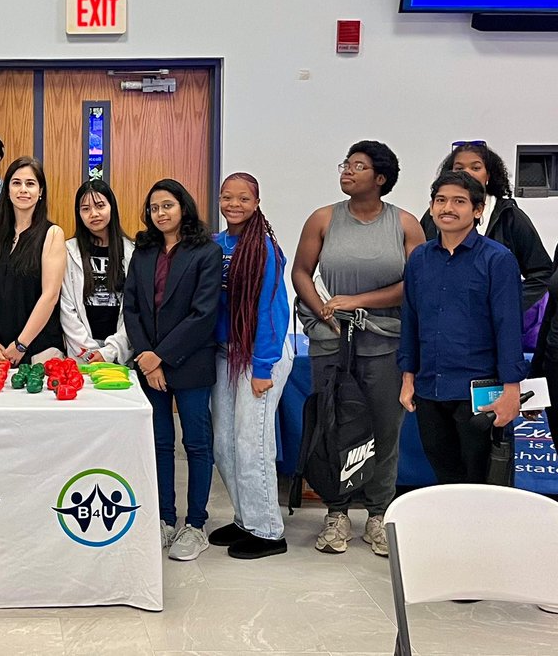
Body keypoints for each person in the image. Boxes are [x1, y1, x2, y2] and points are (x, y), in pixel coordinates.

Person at [291, 140, 424, 557]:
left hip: (386, 342)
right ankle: (336, 512)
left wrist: (358, 300)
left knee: (385, 428)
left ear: (380, 178)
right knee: (334, 425)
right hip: (332, 341)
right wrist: (324, 311)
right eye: (345, 164)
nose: (347, 171)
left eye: (358, 166)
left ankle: (378, 514)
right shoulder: (323, 219)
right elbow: (301, 272)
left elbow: (415, 283)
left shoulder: (405, 224)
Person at [399, 170, 526, 483]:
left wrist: (512, 389)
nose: (447, 208)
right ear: (431, 207)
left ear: (477, 210)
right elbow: (411, 319)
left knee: (480, 480)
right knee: (445, 476)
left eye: (459, 201)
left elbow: (509, 327)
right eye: (440, 200)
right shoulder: (419, 259)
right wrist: (407, 377)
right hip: (429, 388)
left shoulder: (498, 259)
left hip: (478, 391)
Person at [123, 179, 222, 562]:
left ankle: (195, 524)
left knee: (196, 444)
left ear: (183, 207)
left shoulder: (206, 251)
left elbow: (203, 314)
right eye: (154, 208)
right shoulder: (144, 251)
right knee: (160, 443)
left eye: (167, 205)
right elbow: (132, 307)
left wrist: (160, 357)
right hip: (150, 365)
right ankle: (164, 518)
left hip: (190, 362)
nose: (160, 213)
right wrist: (147, 357)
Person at [208, 173, 291, 559]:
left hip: (259, 355)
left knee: (251, 442)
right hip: (225, 353)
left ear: (256, 203)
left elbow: (273, 311)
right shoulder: (216, 244)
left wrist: (261, 368)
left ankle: (269, 530)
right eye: (227, 197)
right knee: (224, 444)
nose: (234, 205)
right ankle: (246, 519)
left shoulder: (264, 249)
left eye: (243, 198)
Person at [419, 141, 551, 320]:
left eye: (475, 168)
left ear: (488, 175)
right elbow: (421, 264)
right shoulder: (437, 214)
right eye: (459, 168)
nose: (467, 173)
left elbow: (542, 273)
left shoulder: (509, 216)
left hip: (492, 322)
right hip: (442, 317)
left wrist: (507, 305)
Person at [0, 156, 65, 365]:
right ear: (7, 191)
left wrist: (21, 344)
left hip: (39, 349)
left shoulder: (52, 234)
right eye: (16, 183)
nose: (23, 189)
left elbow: (50, 296)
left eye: (30, 184)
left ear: (40, 191)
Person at [59, 179, 134, 364]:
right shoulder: (68, 251)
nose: (93, 214)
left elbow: (135, 309)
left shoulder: (132, 252)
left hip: (120, 353)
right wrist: (89, 351)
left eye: (100, 206)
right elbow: (66, 308)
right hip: (82, 354)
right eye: (85, 209)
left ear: (111, 207)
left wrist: (111, 351)